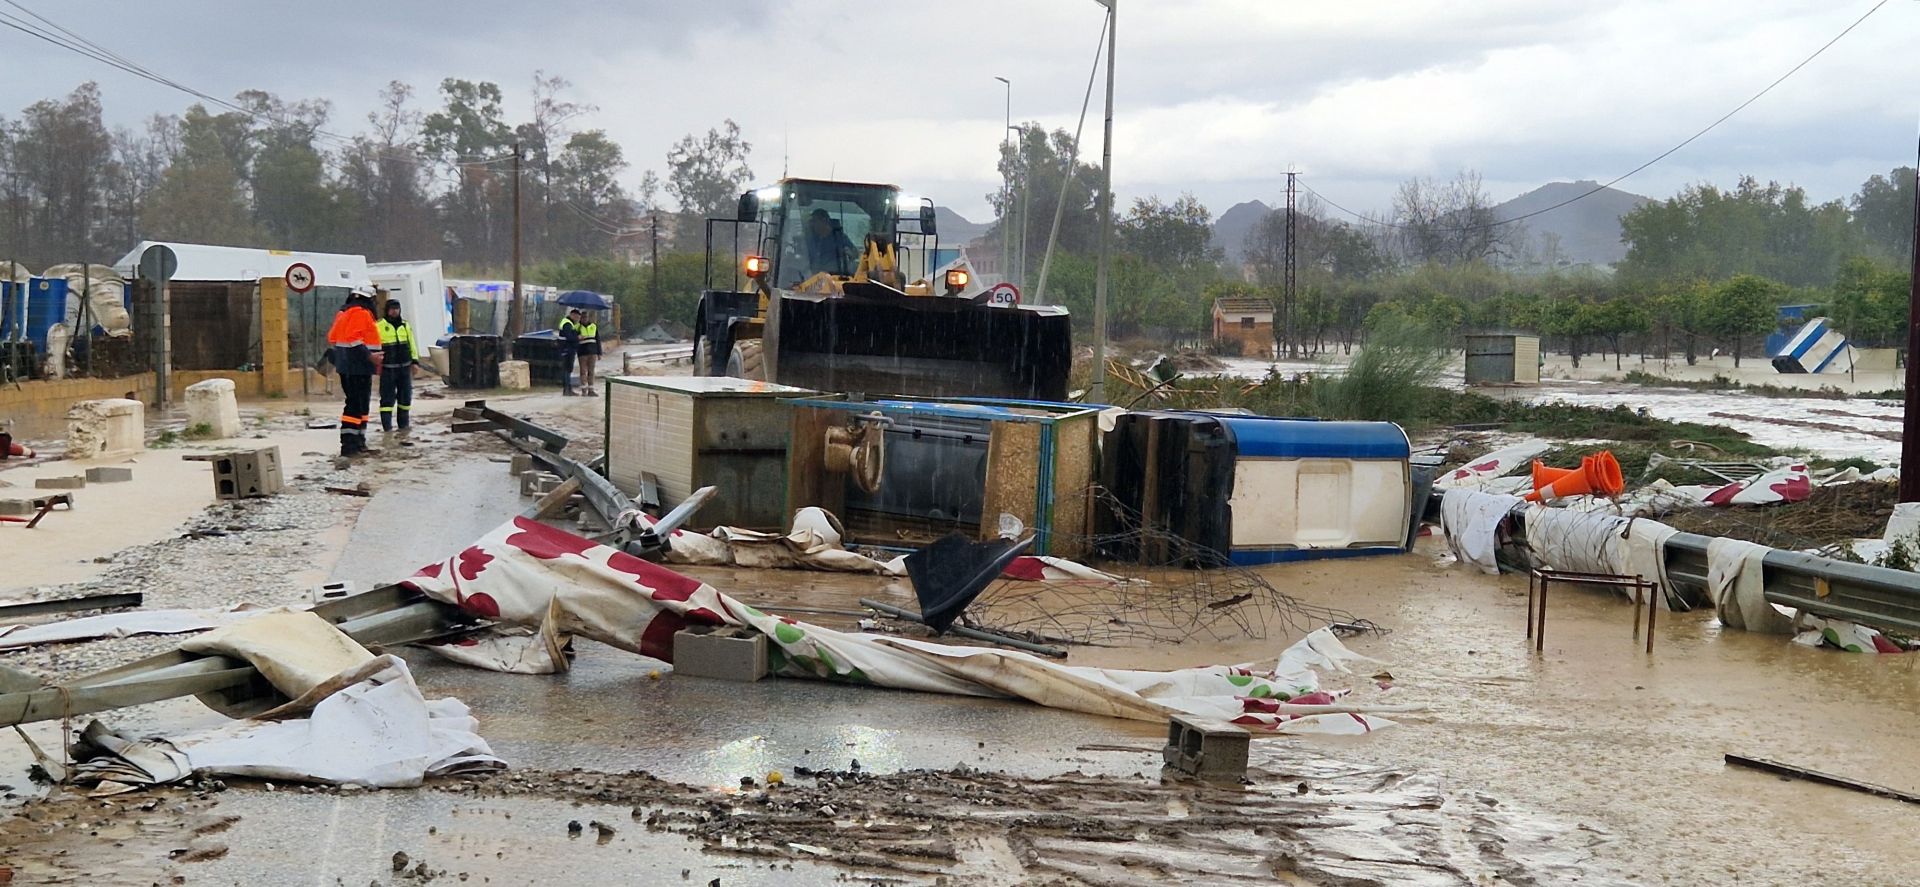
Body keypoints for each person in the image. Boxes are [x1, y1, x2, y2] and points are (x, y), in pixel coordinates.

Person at [326, 287, 383, 456]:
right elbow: (353, 339)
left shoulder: (343, 313)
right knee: (356, 406)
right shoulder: (361, 313)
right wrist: (370, 356)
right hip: (357, 367)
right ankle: (351, 446)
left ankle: (358, 443)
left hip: (350, 367)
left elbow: (332, 337)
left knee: (359, 404)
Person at [375, 297, 422, 433]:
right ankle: (387, 428)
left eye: (397, 309)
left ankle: (403, 427)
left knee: (405, 398)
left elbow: (411, 344)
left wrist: (415, 361)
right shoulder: (379, 326)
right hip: (388, 369)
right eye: (392, 309)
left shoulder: (405, 325)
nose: (395, 312)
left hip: (404, 367)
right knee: (387, 399)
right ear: (387, 310)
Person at [804, 208, 857, 276]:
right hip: (811, 279)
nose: (812, 225)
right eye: (812, 222)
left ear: (824, 221)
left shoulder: (839, 238)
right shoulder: (811, 239)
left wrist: (850, 253)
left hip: (833, 277)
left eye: (815, 221)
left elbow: (855, 253)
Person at [575, 309, 602, 397]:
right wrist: (578, 338)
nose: (584, 319)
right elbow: (573, 339)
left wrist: (599, 353)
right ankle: (584, 390)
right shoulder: (577, 327)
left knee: (591, 371)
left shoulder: (593, 326)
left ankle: (591, 390)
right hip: (582, 353)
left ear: (588, 318)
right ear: (580, 318)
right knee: (583, 371)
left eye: (586, 317)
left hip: (592, 352)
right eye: (582, 317)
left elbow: (598, 340)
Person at [557, 308, 581, 396]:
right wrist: (578, 338)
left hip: (567, 349)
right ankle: (567, 389)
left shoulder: (570, 323)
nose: (578, 320)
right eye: (577, 317)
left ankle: (568, 388)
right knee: (567, 369)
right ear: (573, 315)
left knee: (568, 369)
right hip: (567, 349)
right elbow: (569, 337)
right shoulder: (567, 324)